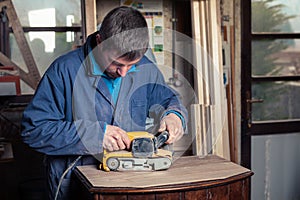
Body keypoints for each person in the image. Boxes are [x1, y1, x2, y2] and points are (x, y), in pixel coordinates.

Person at [21, 6, 187, 200]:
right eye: (117, 63)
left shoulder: (146, 69)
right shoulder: (64, 71)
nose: (123, 72)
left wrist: (175, 115)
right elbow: (34, 130)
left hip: (131, 184)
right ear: (100, 41)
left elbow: (169, 99)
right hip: (73, 187)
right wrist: (94, 135)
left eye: (131, 66)